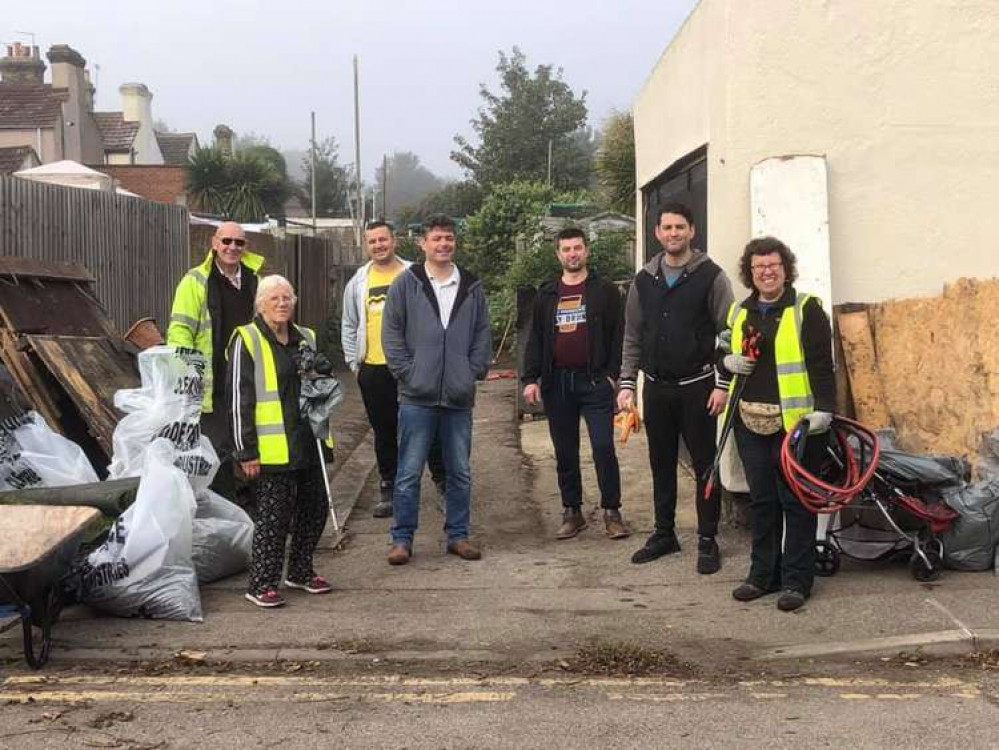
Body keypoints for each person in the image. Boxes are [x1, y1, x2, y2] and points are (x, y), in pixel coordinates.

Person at [617, 202, 734, 573]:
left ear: (692, 231)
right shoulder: (643, 280)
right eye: (666, 228)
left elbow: (730, 332)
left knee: (704, 465)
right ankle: (664, 534)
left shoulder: (711, 276)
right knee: (660, 464)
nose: (673, 234)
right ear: (657, 234)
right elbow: (633, 335)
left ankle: (707, 538)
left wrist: (723, 383)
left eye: (680, 227)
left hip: (699, 387)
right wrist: (626, 384)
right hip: (656, 388)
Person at [723, 237, 834, 612]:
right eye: (759, 267)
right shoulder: (740, 312)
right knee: (762, 501)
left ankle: (796, 581)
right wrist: (726, 362)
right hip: (749, 421)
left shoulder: (806, 310)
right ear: (750, 273)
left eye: (773, 265)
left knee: (795, 502)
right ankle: (762, 576)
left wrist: (825, 409)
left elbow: (822, 365)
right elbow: (722, 346)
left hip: (796, 426)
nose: (766, 272)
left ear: (785, 269)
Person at [381, 215, 492, 565]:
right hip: (417, 396)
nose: (444, 244)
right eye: (437, 238)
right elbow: (392, 333)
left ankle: (458, 536)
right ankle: (402, 539)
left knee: (459, 472)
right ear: (423, 243)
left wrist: (470, 372)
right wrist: (408, 374)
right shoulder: (406, 283)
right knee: (408, 472)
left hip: (458, 398)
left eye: (449, 238)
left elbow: (482, 334)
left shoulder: (471, 286)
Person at [227, 275, 332, 608]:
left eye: (287, 297)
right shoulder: (248, 338)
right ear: (261, 304)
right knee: (274, 516)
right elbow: (238, 401)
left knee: (314, 509)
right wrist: (245, 451)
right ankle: (261, 583)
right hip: (273, 448)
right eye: (275, 298)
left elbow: (320, 388)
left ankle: (300, 571)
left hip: (308, 440)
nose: (282, 303)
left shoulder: (306, 337)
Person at [521, 227, 630, 540]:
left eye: (577, 248)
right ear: (558, 255)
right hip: (558, 384)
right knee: (565, 451)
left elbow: (619, 335)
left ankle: (612, 511)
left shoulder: (605, 291)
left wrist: (613, 377)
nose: (572, 254)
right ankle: (573, 512)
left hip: (595, 383)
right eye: (566, 249)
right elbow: (536, 340)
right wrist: (530, 379)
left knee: (602, 447)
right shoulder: (546, 295)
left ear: (587, 251)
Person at [341, 220, 447, 518]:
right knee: (384, 432)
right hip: (374, 369)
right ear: (366, 244)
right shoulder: (358, 281)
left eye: (383, 239)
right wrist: (354, 363)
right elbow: (350, 324)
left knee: (428, 427)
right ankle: (390, 487)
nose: (378, 245)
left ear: (394, 241)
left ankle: (442, 483)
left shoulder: (416, 274)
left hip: (415, 369)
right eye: (372, 241)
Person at [168, 221, 263, 502]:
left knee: (250, 445)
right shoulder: (196, 281)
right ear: (214, 243)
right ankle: (225, 511)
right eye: (227, 241)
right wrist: (189, 377)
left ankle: (253, 507)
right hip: (213, 384)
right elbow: (180, 331)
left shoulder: (256, 281)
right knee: (218, 450)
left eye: (239, 242)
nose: (232, 247)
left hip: (249, 381)